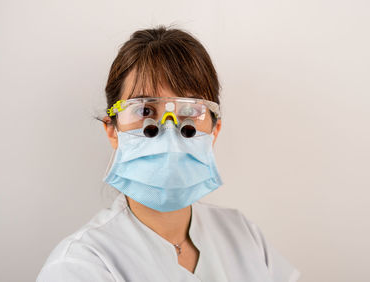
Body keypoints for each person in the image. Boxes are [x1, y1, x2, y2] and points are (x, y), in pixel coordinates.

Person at [36, 25, 301, 282]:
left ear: (214, 130)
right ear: (112, 129)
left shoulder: (242, 234)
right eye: (145, 111)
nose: (170, 134)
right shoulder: (79, 267)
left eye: (190, 111)